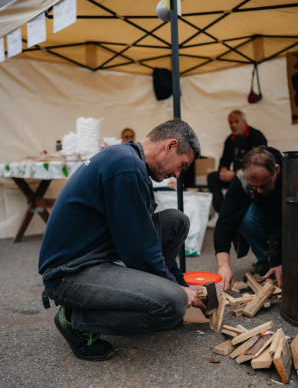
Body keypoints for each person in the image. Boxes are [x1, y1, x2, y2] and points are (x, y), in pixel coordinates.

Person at [39, 120, 206, 361]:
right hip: (70, 274)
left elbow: (148, 237)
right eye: (182, 165)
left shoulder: (128, 161)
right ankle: (76, 321)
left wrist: (181, 284)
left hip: (96, 256)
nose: (178, 174)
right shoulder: (125, 167)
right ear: (170, 145)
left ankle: (162, 299)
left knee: (176, 221)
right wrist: (177, 291)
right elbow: (139, 248)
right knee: (172, 306)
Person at [214, 146, 283, 292]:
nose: (259, 191)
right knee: (245, 215)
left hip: (290, 222)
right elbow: (225, 223)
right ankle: (266, 261)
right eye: (254, 186)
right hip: (265, 218)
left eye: (264, 185)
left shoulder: (294, 174)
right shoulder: (241, 180)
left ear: (276, 170)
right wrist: (224, 266)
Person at [207, 110, 267, 217]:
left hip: (251, 177)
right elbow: (224, 159)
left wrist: (235, 174)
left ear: (245, 122)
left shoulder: (256, 136)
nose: (233, 125)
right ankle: (223, 213)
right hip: (234, 177)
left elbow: (259, 163)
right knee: (213, 177)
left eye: (236, 121)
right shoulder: (230, 140)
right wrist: (223, 170)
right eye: (231, 122)